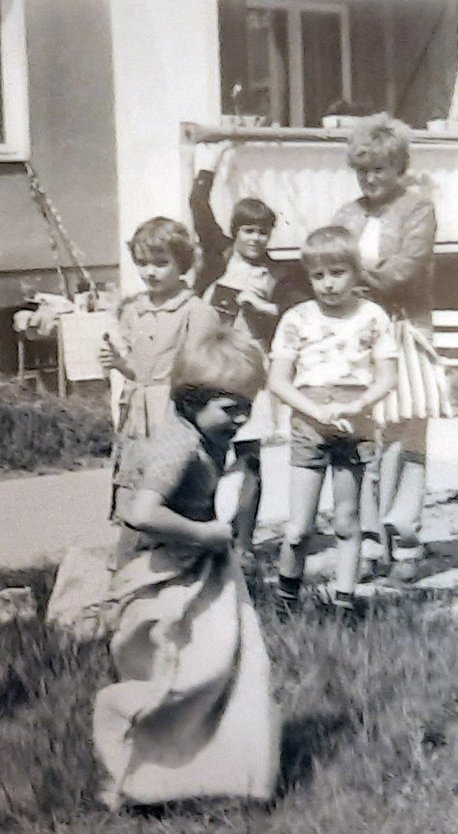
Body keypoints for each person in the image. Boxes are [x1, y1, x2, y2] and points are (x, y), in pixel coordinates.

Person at [92, 325, 279, 809]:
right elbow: (141, 511)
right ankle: (142, 769)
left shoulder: (210, 434)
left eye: (247, 405)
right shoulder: (177, 445)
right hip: (163, 569)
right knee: (186, 672)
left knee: (238, 663)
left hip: (201, 564)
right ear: (193, 399)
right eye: (229, 407)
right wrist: (206, 533)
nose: (240, 418)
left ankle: (228, 774)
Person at [332, 113, 441, 580]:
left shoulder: (418, 209)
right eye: (362, 170)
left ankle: (408, 541)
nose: (370, 178)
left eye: (379, 168)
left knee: (407, 437)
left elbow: (405, 270)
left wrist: (349, 280)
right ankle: (374, 540)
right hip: (359, 333)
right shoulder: (347, 214)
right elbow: (326, 260)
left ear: (398, 167)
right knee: (367, 438)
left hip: (405, 329)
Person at [268, 227, 398, 615]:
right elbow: (277, 380)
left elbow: (388, 377)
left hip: (354, 422)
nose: (328, 284)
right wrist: (314, 410)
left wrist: (358, 403)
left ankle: (345, 602)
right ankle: (286, 604)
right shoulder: (296, 318)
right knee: (298, 529)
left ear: (356, 272)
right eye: (319, 276)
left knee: (347, 520)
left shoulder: (372, 316)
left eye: (338, 272)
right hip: (309, 421)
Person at [189, 140, 305, 561]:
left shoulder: (278, 272)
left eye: (262, 231)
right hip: (211, 368)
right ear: (235, 233)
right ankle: (203, 530)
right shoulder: (219, 259)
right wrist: (212, 164)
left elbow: (297, 316)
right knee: (206, 451)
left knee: (251, 456)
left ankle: (244, 542)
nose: (255, 239)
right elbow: (198, 205)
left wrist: (266, 308)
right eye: (248, 231)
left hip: (253, 373)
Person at [99, 217, 221, 516]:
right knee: (135, 488)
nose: (149, 272)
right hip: (137, 414)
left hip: (174, 413)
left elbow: (200, 373)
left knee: (174, 490)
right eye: (142, 263)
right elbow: (137, 371)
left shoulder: (195, 311)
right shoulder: (132, 310)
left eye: (160, 263)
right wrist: (117, 363)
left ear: (182, 264)